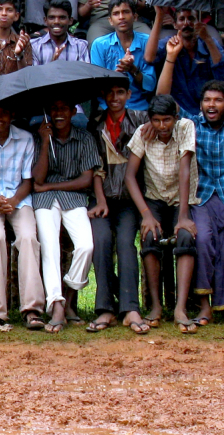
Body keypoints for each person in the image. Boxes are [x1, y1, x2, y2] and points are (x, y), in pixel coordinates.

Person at [158, 37, 224, 328]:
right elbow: (163, 99)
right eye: (207, 100)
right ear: (201, 104)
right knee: (202, 240)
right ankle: (204, 307)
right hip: (202, 200)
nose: (212, 104)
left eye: (218, 100)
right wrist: (171, 58)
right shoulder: (191, 125)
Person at [125, 95, 199, 331]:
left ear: (175, 118)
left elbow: (185, 169)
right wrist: (146, 214)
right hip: (155, 198)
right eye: (156, 120)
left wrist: (183, 216)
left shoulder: (186, 127)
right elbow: (129, 176)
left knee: (185, 237)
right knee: (149, 236)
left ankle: (180, 308)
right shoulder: (143, 133)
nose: (162, 126)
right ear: (150, 120)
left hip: (181, 198)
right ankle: (156, 306)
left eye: (167, 120)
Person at [30, 97, 98, 332]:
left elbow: (86, 179)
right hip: (45, 201)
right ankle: (57, 305)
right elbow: (37, 178)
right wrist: (45, 142)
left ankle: (68, 295)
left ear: (72, 111)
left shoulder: (84, 138)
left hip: (73, 198)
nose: (59, 113)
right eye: (54, 108)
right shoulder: (39, 137)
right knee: (49, 247)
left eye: (63, 108)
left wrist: (50, 186)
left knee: (86, 246)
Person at [87, 84, 149, 334]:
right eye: (110, 92)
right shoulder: (95, 124)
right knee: (100, 241)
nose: (115, 97)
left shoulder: (141, 121)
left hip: (129, 199)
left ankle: (130, 308)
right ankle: (105, 309)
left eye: (120, 92)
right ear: (103, 95)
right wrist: (100, 201)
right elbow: (96, 167)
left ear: (129, 95)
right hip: (102, 197)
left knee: (125, 243)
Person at [0, 103, 41, 332]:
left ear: (12, 114)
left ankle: (32, 308)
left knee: (28, 238)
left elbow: (28, 181)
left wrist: (13, 201)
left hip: (19, 200)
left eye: (4, 113)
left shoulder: (25, 138)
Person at [145, 8, 224, 115]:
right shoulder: (170, 43)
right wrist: (159, 15)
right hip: (178, 112)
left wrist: (207, 38)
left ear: (198, 22)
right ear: (175, 25)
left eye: (191, 19)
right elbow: (149, 58)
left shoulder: (209, 43)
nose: (186, 23)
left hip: (206, 111)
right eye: (182, 19)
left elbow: (222, 76)